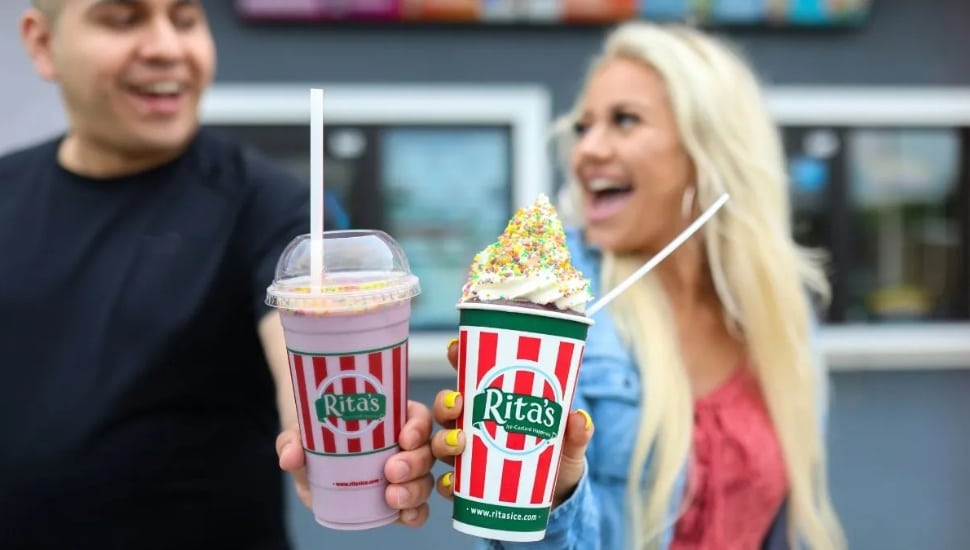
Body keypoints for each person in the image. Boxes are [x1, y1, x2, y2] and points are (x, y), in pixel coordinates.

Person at [0, 1, 434, 548]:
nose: (166, 47)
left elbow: (305, 354)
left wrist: (323, 436)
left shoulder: (274, 207)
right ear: (42, 43)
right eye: (122, 19)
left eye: (184, 19)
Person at [431, 22, 846, 549]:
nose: (587, 151)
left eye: (624, 121)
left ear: (708, 147)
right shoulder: (553, 300)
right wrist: (550, 495)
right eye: (583, 128)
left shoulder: (777, 309)